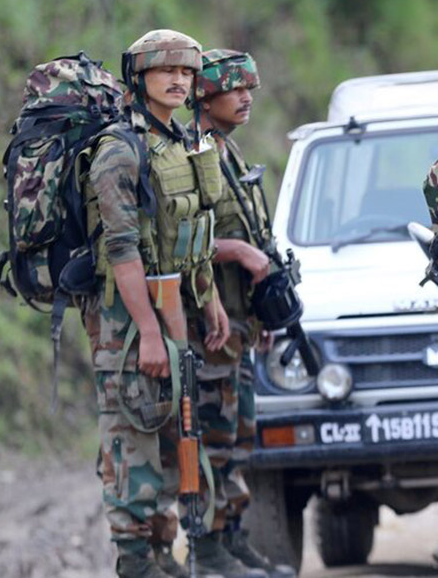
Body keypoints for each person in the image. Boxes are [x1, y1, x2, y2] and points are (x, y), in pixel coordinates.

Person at [83, 29, 230, 577]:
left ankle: (162, 552)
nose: (177, 80)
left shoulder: (181, 140)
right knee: (132, 434)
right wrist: (146, 331)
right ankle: (134, 559)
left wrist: (209, 298)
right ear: (138, 76)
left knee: (175, 432)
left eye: (187, 72)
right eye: (164, 70)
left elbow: (193, 232)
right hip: (128, 320)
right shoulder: (122, 149)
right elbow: (121, 250)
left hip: (176, 308)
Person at [197, 48, 297, 577]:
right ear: (204, 96)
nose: (245, 98)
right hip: (209, 326)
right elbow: (178, 241)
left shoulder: (227, 153)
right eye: (234, 89)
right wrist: (236, 253)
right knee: (213, 439)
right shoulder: (193, 154)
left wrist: (260, 317)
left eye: (250, 89)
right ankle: (207, 547)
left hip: (241, 322)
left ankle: (232, 539)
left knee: (239, 438)